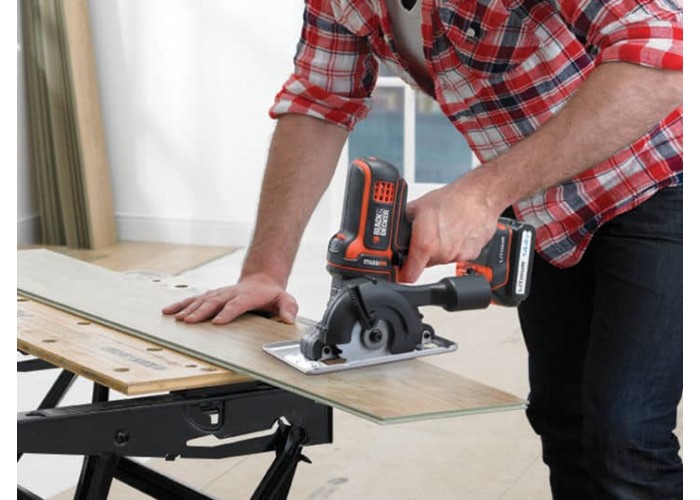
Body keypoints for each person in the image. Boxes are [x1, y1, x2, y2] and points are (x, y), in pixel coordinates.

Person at [163, 0, 683, 497]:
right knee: (563, 419)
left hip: (665, 178)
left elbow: (667, 58)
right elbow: (319, 101)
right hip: (542, 203)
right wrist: (264, 272)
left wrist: (483, 194)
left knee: (626, 434)